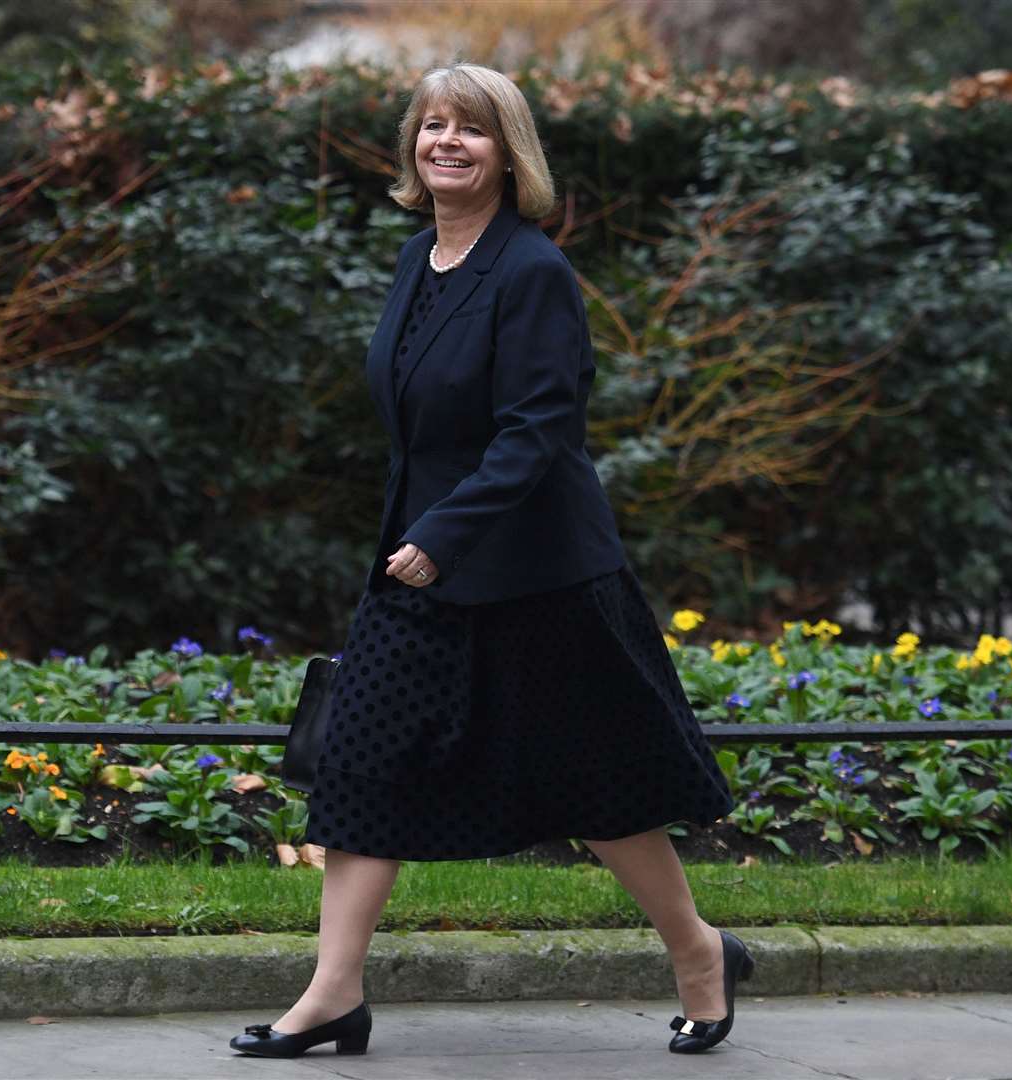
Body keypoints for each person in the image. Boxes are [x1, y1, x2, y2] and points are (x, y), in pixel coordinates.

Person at [230, 62, 751, 1061]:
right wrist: (412, 539)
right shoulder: (416, 259)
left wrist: (444, 535)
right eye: (431, 127)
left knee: (599, 787)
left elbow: (539, 429)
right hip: (417, 565)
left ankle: (699, 953)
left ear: (510, 154)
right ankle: (333, 992)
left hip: (533, 571)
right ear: (412, 151)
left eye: (470, 129)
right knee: (360, 762)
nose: (446, 143)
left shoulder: (532, 272)